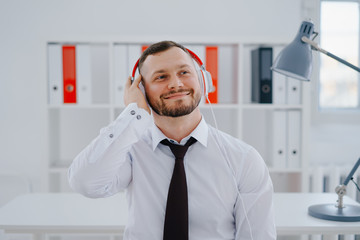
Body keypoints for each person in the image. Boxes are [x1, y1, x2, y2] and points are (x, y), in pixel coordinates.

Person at [68, 40, 276, 240]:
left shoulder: (243, 159)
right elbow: (85, 183)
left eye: (184, 72)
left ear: (203, 81)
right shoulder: (130, 150)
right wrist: (132, 114)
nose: (176, 84)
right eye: (161, 77)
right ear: (141, 90)